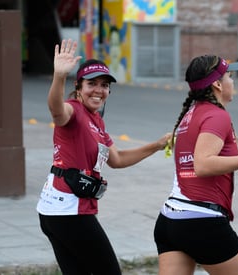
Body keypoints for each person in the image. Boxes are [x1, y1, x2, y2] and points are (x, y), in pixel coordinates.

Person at [36, 39, 171, 275]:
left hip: (57, 211)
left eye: (105, 85)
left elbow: (116, 159)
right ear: (78, 87)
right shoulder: (73, 111)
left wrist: (157, 145)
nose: (99, 90)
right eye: (92, 84)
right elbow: (56, 110)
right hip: (68, 209)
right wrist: (59, 76)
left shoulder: (96, 121)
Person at [154, 55, 238, 275]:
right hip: (200, 222)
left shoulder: (191, 114)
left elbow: (195, 162)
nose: (233, 81)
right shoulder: (216, 115)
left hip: (170, 221)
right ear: (217, 84)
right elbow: (203, 165)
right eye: (230, 76)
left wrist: (235, 150)